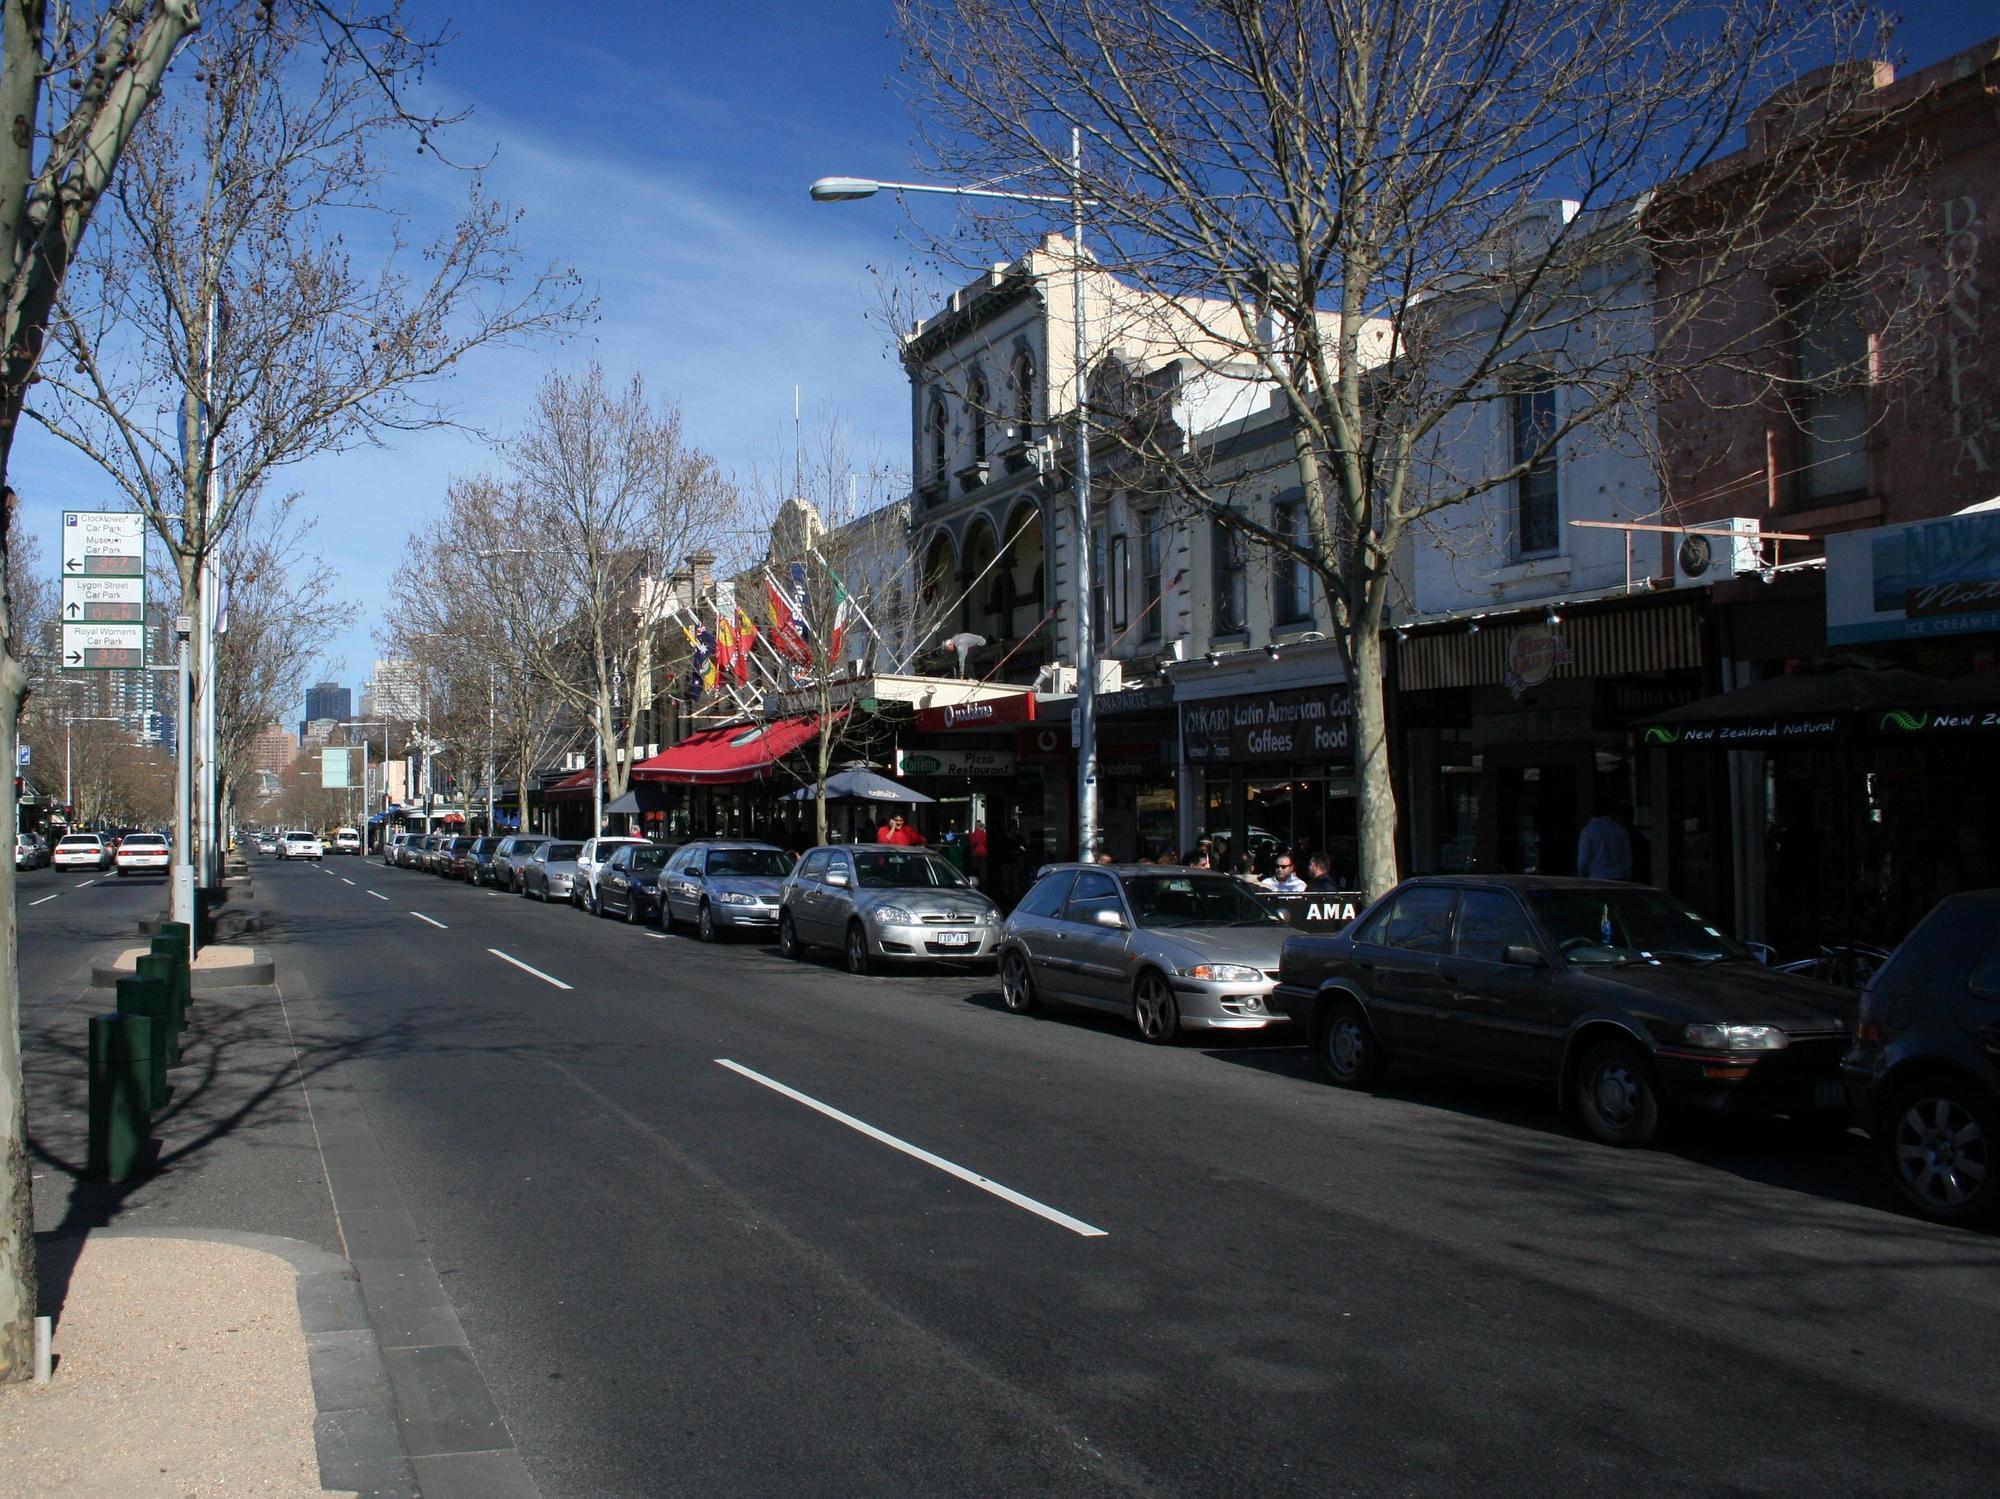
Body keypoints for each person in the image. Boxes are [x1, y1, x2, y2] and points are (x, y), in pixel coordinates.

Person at [1576, 801, 1634, 881]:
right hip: (1618, 877)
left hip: (1596, 877)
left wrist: (1582, 878)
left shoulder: (1588, 830)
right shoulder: (1621, 830)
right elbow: (1627, 860)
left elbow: (1583, 861)